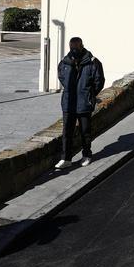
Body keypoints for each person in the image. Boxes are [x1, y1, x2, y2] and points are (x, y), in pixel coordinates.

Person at [54, 37, 105, 169]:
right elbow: (61, 76)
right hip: (69, 103)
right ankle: (66, 158)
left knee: (85, 131)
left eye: (76, 47)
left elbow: (99, 81)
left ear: (82, 46)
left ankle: (87, 155)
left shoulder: (93, 62)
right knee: (67, 132)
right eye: (72, 48)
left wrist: (89, 93)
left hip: (84, 102)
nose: (74, 50)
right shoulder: (65, 62)